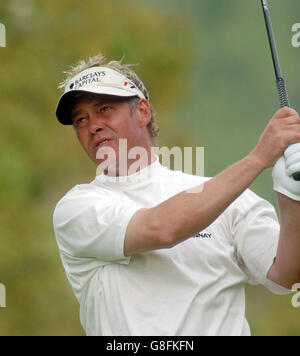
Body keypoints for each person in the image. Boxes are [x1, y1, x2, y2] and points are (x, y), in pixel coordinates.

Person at [53, 53, 300, 336]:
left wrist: (292, 195)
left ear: (142, 112)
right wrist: (258, 158)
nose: (92, 125)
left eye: (105, 109)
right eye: (80, 120)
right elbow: (162, 229)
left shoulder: (228, 199)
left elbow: (287, 277)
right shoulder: (77, 208)